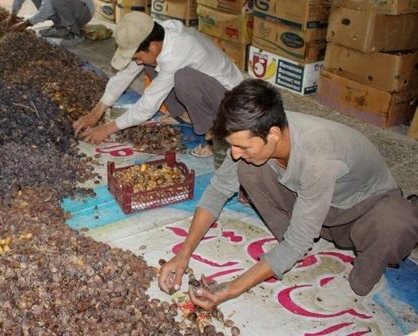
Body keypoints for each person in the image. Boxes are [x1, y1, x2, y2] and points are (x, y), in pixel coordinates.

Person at [158, 79, 418, 309]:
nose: (235, 153)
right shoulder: (260, 128)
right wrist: (184, 254)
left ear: (273, 134)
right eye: (232, 145)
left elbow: (297, 239)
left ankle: (361, 284)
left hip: (360, 214)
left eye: (242, 146)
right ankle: (307, 242)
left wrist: (231, 289)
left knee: (396, 222)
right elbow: (216, 192)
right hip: (318, 206)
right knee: (248, 170)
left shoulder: (318, 157)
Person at [72, 11, 244, 157]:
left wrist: (106, 129)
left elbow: (148, 104)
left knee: (184, 77)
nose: (136, 62)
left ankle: (216, 135)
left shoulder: (178, 49)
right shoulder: (153, 34)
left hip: (229, 100)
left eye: (137, 56)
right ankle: (186, 115)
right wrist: (95, 114)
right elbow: (123, 75)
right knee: (149, 64)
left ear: (153, 47)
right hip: (204, 87)